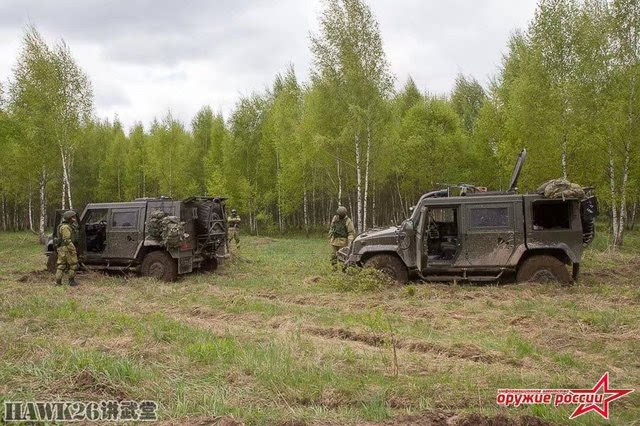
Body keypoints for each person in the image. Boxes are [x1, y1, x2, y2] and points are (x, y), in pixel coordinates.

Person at [55, 210, 79, 286]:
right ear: (69, 218)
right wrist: (73, 249)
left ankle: (58, 282)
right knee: (73, 264)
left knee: (61, 265)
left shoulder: (68, 226)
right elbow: (67, 240)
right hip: (67, 248)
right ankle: (71, 281)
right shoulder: (65, 227)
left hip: (63, 248)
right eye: (73, 217)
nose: (74, 218)